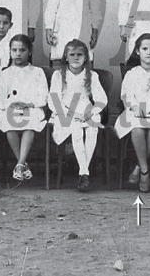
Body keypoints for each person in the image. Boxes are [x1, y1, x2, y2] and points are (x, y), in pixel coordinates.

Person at [114, 33, 150, 193]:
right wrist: (133, 107)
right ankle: (146, 172)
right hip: (135, 112)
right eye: (145, 48)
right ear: (138, 51)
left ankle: (138, 167)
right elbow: (126, 94)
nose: (149, 52)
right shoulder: (132, 73)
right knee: (136, 128)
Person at [48, 39, 107, 192]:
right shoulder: (58, 75)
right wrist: (71, 113)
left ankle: (83, 172)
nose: (76, 58)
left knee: (92, 128)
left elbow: (102, 99)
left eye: (79, 54)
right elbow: (54, 99)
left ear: (86, 57)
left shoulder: (91, 75)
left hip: (86, 110)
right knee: (76, 128)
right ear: (66, 57)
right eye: (72, 54)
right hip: (64, 111)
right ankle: (85, 172)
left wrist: (90, 112)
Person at [0, 34, 49, 182]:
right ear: (10, 51)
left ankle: (19, 164)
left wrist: (29, 104)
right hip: (10, 109)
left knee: (29, 125)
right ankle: (22, 164)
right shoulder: (4, 74)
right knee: (9, 125)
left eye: (22, 50)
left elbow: (43, 96)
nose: (18, 54)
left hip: (31, 108)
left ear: (29, 52)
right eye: (14, 50)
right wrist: (10, 105)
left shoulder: (37, 72)